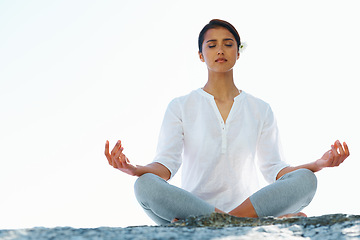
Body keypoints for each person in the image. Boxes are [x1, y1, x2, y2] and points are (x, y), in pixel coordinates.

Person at [104, 19, 350, 225]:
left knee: (307, 180)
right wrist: (134, 169)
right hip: (192, 210)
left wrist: (319, 163)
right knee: (145, 186)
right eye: (212, 45)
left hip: (244, 211)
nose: (220, 50)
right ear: (201, 55)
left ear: (238, 52)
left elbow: (275, 169)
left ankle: (225, 223)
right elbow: (166, 165)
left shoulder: (260, 109)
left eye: (228, 44)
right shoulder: (180, 106)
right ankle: (236, 224)